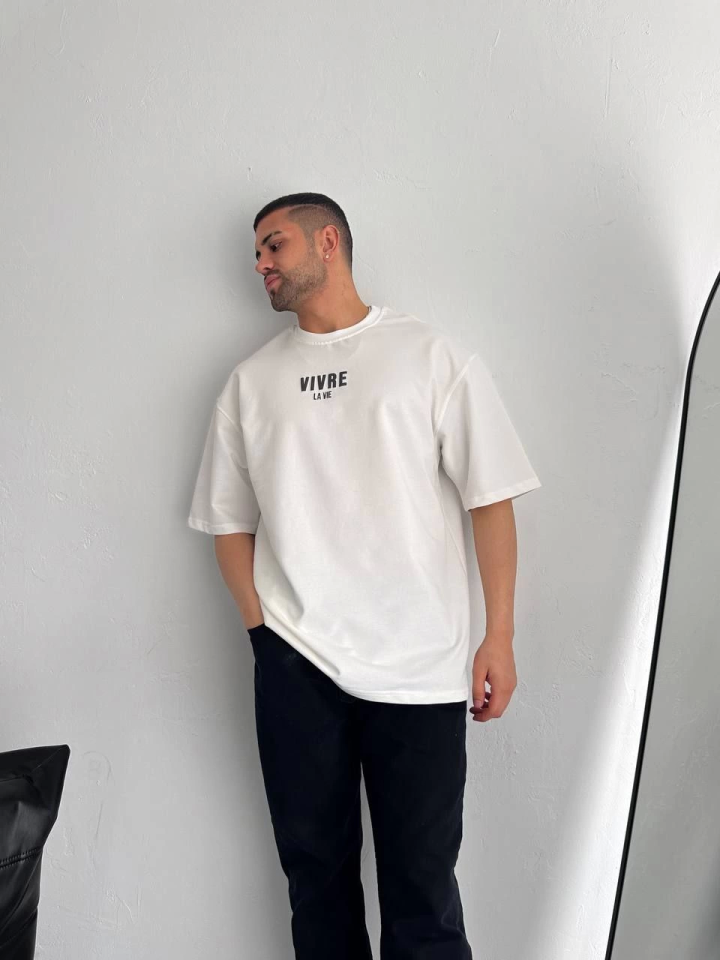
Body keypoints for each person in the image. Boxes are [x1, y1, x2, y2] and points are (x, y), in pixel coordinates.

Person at [187, 192, 541, 959]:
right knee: (316, 886)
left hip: (421, 664)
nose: (261, 264)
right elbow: (227, 522)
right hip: (296, 663)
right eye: (257, 252)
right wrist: (264, 634)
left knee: (422, 892)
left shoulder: (429, 356)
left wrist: (500, 637)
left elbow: (491, 499)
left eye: (274, 245)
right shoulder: (251, 383)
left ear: (328, 242)